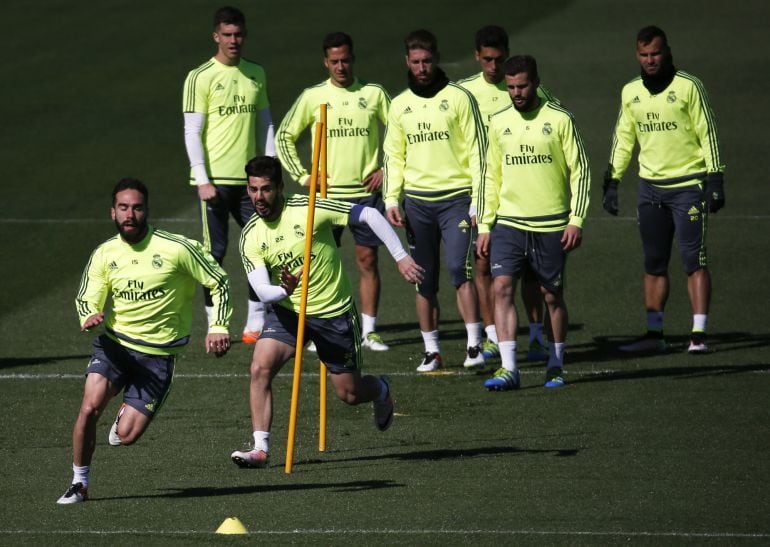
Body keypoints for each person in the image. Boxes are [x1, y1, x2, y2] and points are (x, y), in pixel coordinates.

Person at [230, 156, 423, 468]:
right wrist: (285, 292)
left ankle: (380, 388)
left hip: (333, 313)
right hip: (289, 312)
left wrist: (400, 257)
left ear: (280, 187)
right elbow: (262, 289)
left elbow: (370, 216)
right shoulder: (250, 235)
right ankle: (261, 448)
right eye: (253, 190)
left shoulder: (311, 209)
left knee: (349, 394)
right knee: (259, 367)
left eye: (265, 189)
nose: (258, 197)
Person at [57, 178, 232, 504]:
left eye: (136, 208)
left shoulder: (176, 248)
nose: (130, 214)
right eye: (123, 207)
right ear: (113, 212)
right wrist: (90, 315)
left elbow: (218, 280)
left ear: (147, 210)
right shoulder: (104, 253)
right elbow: (87, 297)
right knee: (88, 409)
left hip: (157, 357)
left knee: (126, 436)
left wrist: (218, 325)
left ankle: (125, 417)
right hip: (115, 346)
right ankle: (79, 482)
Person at [603, 25, 725, 354]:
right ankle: (654, 335)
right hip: (650, 189)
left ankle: (698, 333)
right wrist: (612, 180)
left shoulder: (689, 87)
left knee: (693, 260)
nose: (650, 60)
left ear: (667, 50)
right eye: (643, 55)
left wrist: (715, 179)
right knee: (654, 261)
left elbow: (707, 131)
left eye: (655, 53)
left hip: (688, 186)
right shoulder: (631, 92)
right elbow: (624, 136)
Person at [476, 55, 591, 390]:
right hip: (508, 223)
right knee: (502, 287)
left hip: (551, 224)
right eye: (510, 87)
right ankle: (509, 369)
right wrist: (485, 225)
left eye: (522, 85)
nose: (516, 93)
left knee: (551, 296)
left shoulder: (560, 119)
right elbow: (490, 177)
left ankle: (556, 363)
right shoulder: (498, 122)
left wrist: (576, 220)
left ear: (536, 82)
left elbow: (580, 171)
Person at [275, 31, 392, 352]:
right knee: (315, 263)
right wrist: (302, 174)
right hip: (325, 196)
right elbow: (284, 135)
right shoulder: (313, 96)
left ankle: (369, 331)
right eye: (334, 62)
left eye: (345, 60)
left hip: (364, 194)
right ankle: (318, 330)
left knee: (367, 259)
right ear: (326, 62)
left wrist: (386, 168)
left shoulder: (374, 93)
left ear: (353, 58)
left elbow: (400, 132)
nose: (341, 67)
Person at [383, 29, 485, 372]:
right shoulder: (399, 105)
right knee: (422, 279)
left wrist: (476, 201)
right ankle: (432, 351)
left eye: (427, 61)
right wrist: (391, 199)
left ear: (436, 59)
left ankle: (474, 344)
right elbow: (393, 156)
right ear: (407, 62)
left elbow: (477, 150)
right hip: (417, 203)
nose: (422, 68)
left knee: (460, 267)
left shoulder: (459, 97)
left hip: (456, 199)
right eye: (416, 62)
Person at [457, 25, 557, 363]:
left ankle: (538, 336)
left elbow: (555, 122)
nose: (493, 67)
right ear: (477, 57)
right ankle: (492, 336)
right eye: (487, 59)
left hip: (525, 192)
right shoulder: (464, 92)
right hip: (482, 191)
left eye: (499, 59)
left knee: (530, 271)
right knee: (484, 265)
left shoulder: (524, 87)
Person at [182, 6, 275, 345]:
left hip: (251, 182)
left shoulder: (255, 73)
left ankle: (255, 324)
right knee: (214, 255)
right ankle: (216, 325)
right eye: (227, 35)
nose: (234, 41)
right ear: (216, 37)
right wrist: (202, 179)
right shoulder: (200, 76)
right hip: (215, 183)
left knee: (258, 250)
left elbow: (266, 122)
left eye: (238, 35)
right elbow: (192, 131)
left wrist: (271, 169)